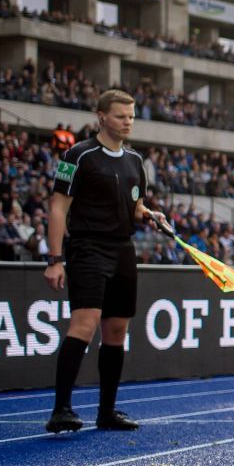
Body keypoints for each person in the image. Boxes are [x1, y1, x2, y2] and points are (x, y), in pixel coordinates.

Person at [43, 89, 164, 434]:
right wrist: (55, 258)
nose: (127, 122)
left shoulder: (135, 161)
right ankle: (61, 409)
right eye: (120, 116)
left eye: (131, 116)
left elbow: (135, 203)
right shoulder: (76, 155)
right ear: (101, 117)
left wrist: (147, 213)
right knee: (85, 323)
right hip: (87, 247)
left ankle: (106, 412)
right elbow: (57, 207)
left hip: (122, 249)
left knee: (117, 330)